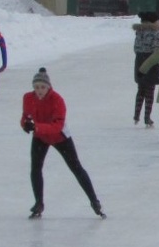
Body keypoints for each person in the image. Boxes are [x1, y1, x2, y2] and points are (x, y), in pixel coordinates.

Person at [20, 67, 104, 219]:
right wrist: (25, 124)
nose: (39, 90)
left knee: (76, 167)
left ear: (49, 87)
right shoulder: (28, 98)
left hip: (60, 137)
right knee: (35, 168)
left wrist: (36, 126)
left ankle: (94, 201)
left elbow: (57, 126)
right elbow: (26, 116)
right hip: (40, 136)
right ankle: (39, 203)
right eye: (37, 87)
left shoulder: (57, 100)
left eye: (43, 87)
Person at [131, 10, 159, 126]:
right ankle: (147, 117)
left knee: (141, 89)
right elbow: (157, 50)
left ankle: (136, 115)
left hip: (139, 61)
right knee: (150, 91)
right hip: (151, 62)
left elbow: (135, 48)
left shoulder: (139, 31)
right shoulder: (155, 32)